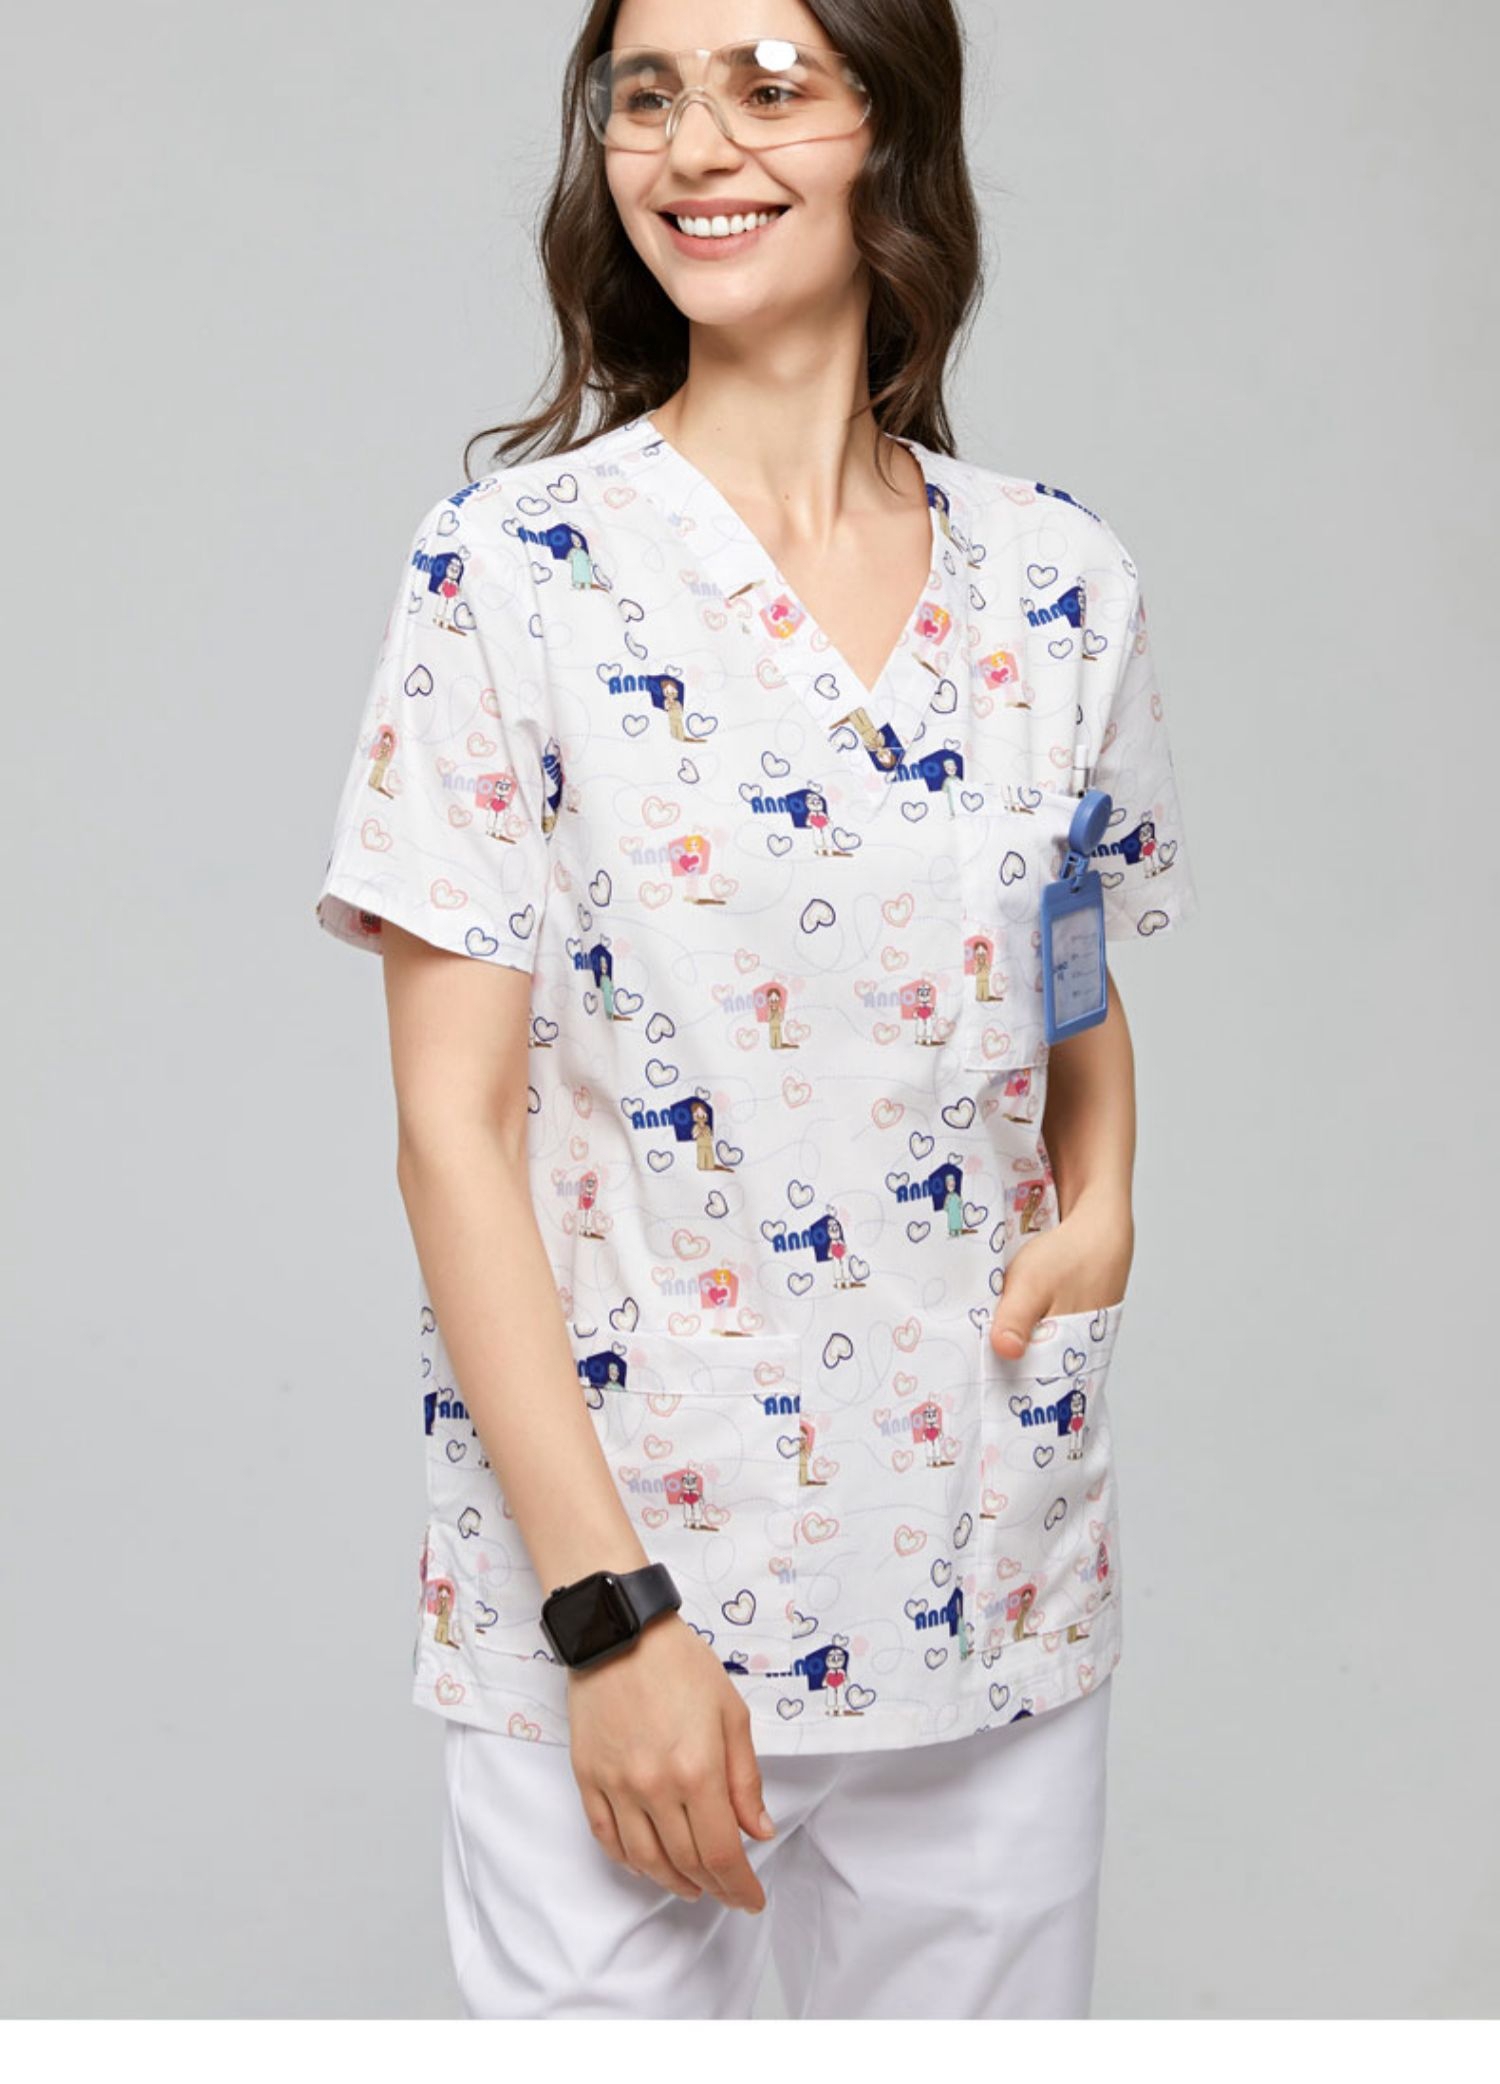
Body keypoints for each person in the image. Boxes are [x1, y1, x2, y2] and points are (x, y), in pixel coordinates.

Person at [313, 0, 1200, 2022]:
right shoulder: (511, 573)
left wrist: (1109, 1199)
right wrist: (608, 1617)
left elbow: (1067, 957)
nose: (695, 144)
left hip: (985, 1561)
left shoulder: (1058, 582)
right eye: (648, 93)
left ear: (894, 131)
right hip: (623, 1577)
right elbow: (451, 1134)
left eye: (769, 87)